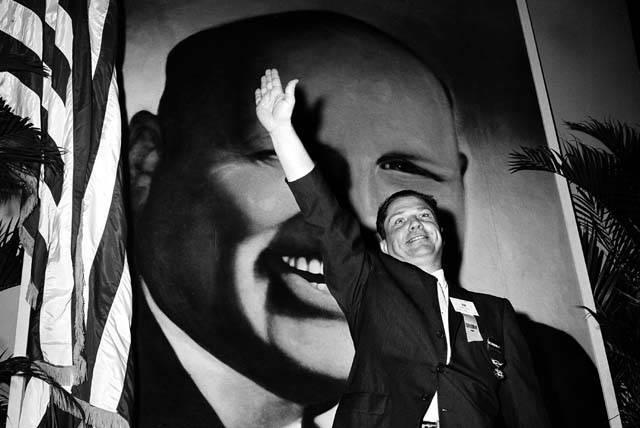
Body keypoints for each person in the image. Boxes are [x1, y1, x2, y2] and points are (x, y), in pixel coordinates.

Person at [133, 11, 468, 428]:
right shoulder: (90, 388)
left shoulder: (525, 363)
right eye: (282, 152)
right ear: (144, 161)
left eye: (404, 167)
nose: (361, 217)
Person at [255, 66, 551, 427]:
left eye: (424, 217)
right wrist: (282, 132)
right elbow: (327, 218)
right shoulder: (368, 281)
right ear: (384, 244)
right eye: (399, 221)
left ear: (441, 230)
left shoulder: (496, 313)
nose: (415, 224)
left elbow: (525, 408)